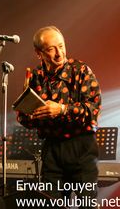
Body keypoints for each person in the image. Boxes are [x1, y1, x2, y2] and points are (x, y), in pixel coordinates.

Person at [17, 26, 101, 208]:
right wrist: (29, 111)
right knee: (50, 205)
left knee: (87, 205)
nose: (59, 53)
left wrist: (62, 109)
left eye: (61, 46)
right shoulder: (35, 77)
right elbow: (23, 120)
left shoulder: (81, 71)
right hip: (52, 149)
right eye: (51, 49)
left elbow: (93, 109)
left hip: (81, 147)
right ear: (39, 53)